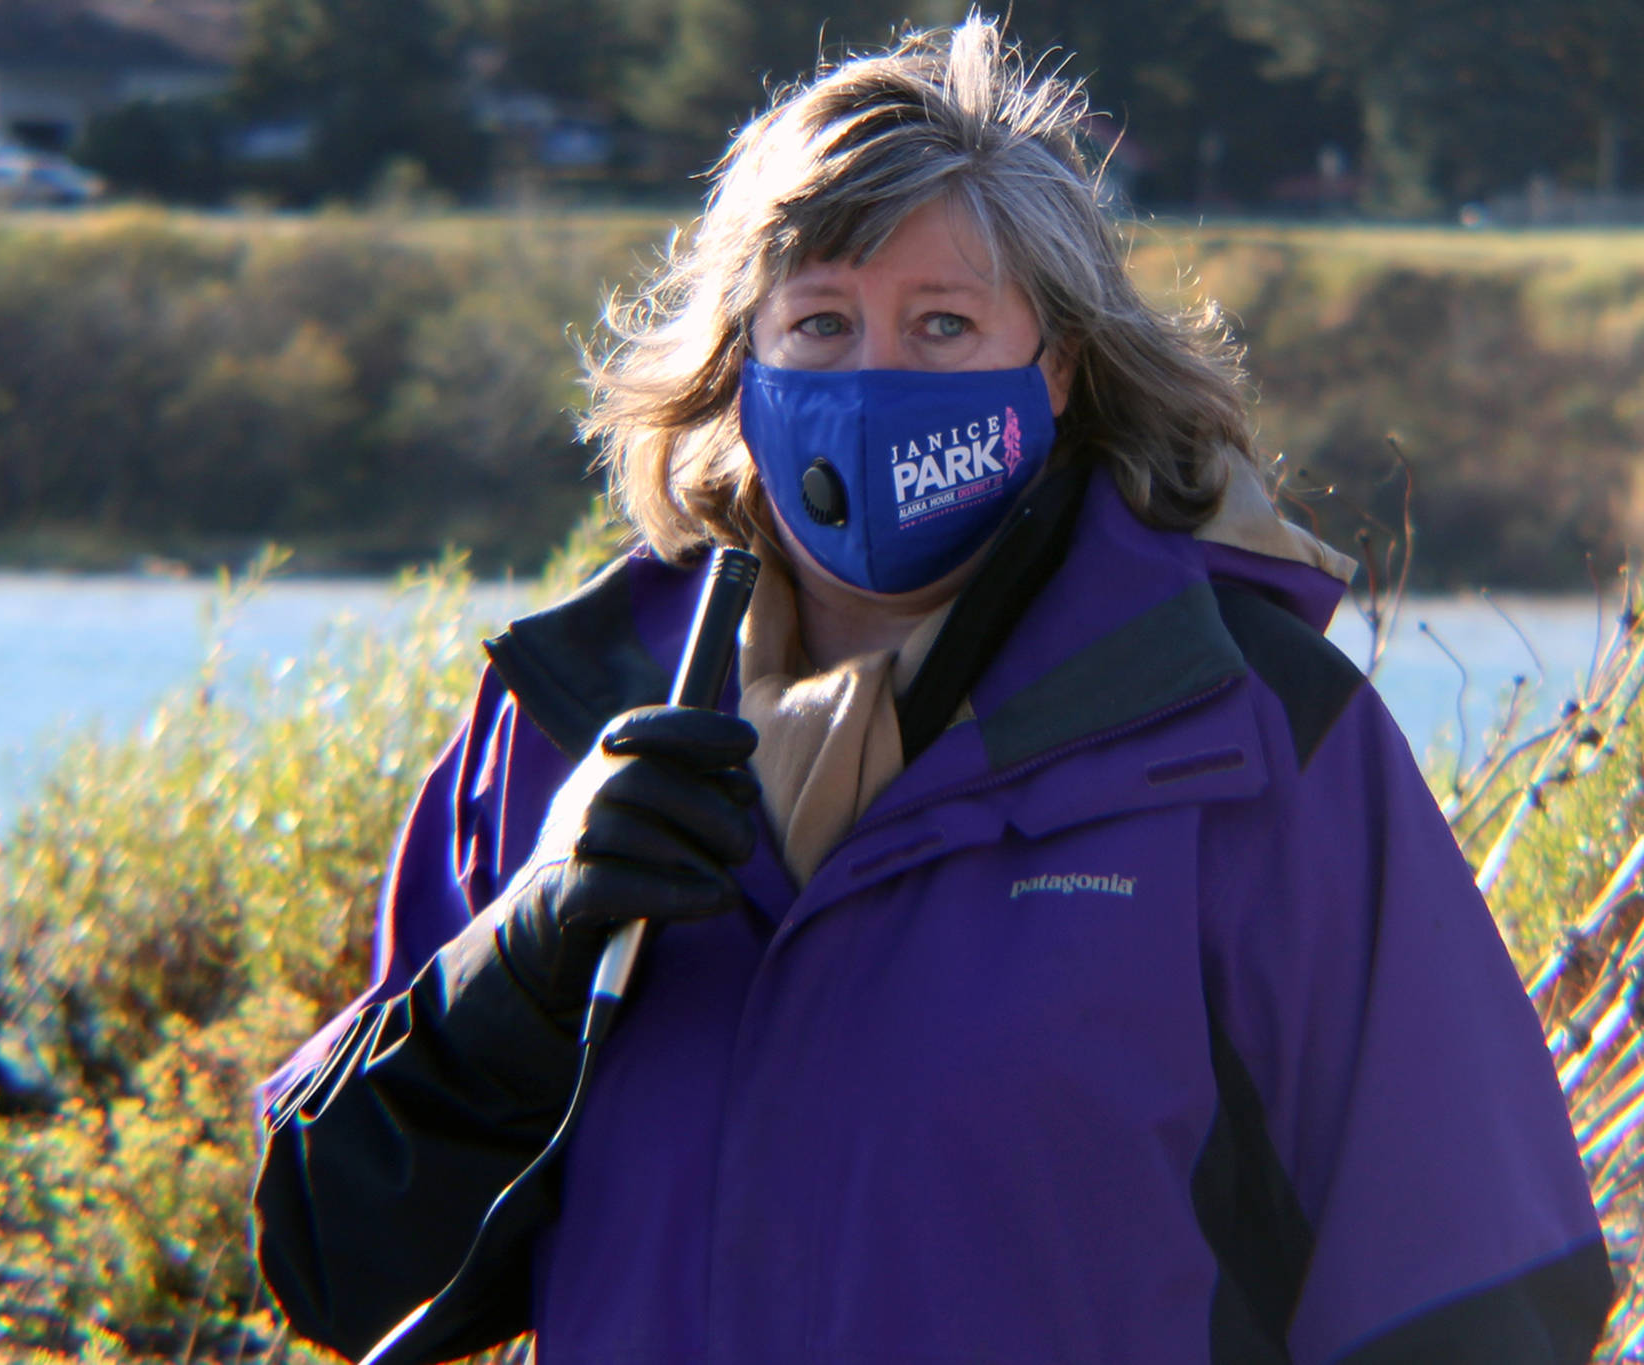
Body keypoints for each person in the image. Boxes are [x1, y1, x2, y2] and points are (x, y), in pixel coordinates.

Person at [252, 17, 1612, 1364]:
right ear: (741, 364)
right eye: (822, 323)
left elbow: (1479, 1286)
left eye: (944, 323)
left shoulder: (1247, 732)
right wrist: (525, 953)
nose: (873, 378)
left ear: (1059, 365)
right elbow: (340, 1266)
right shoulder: (570, 718)